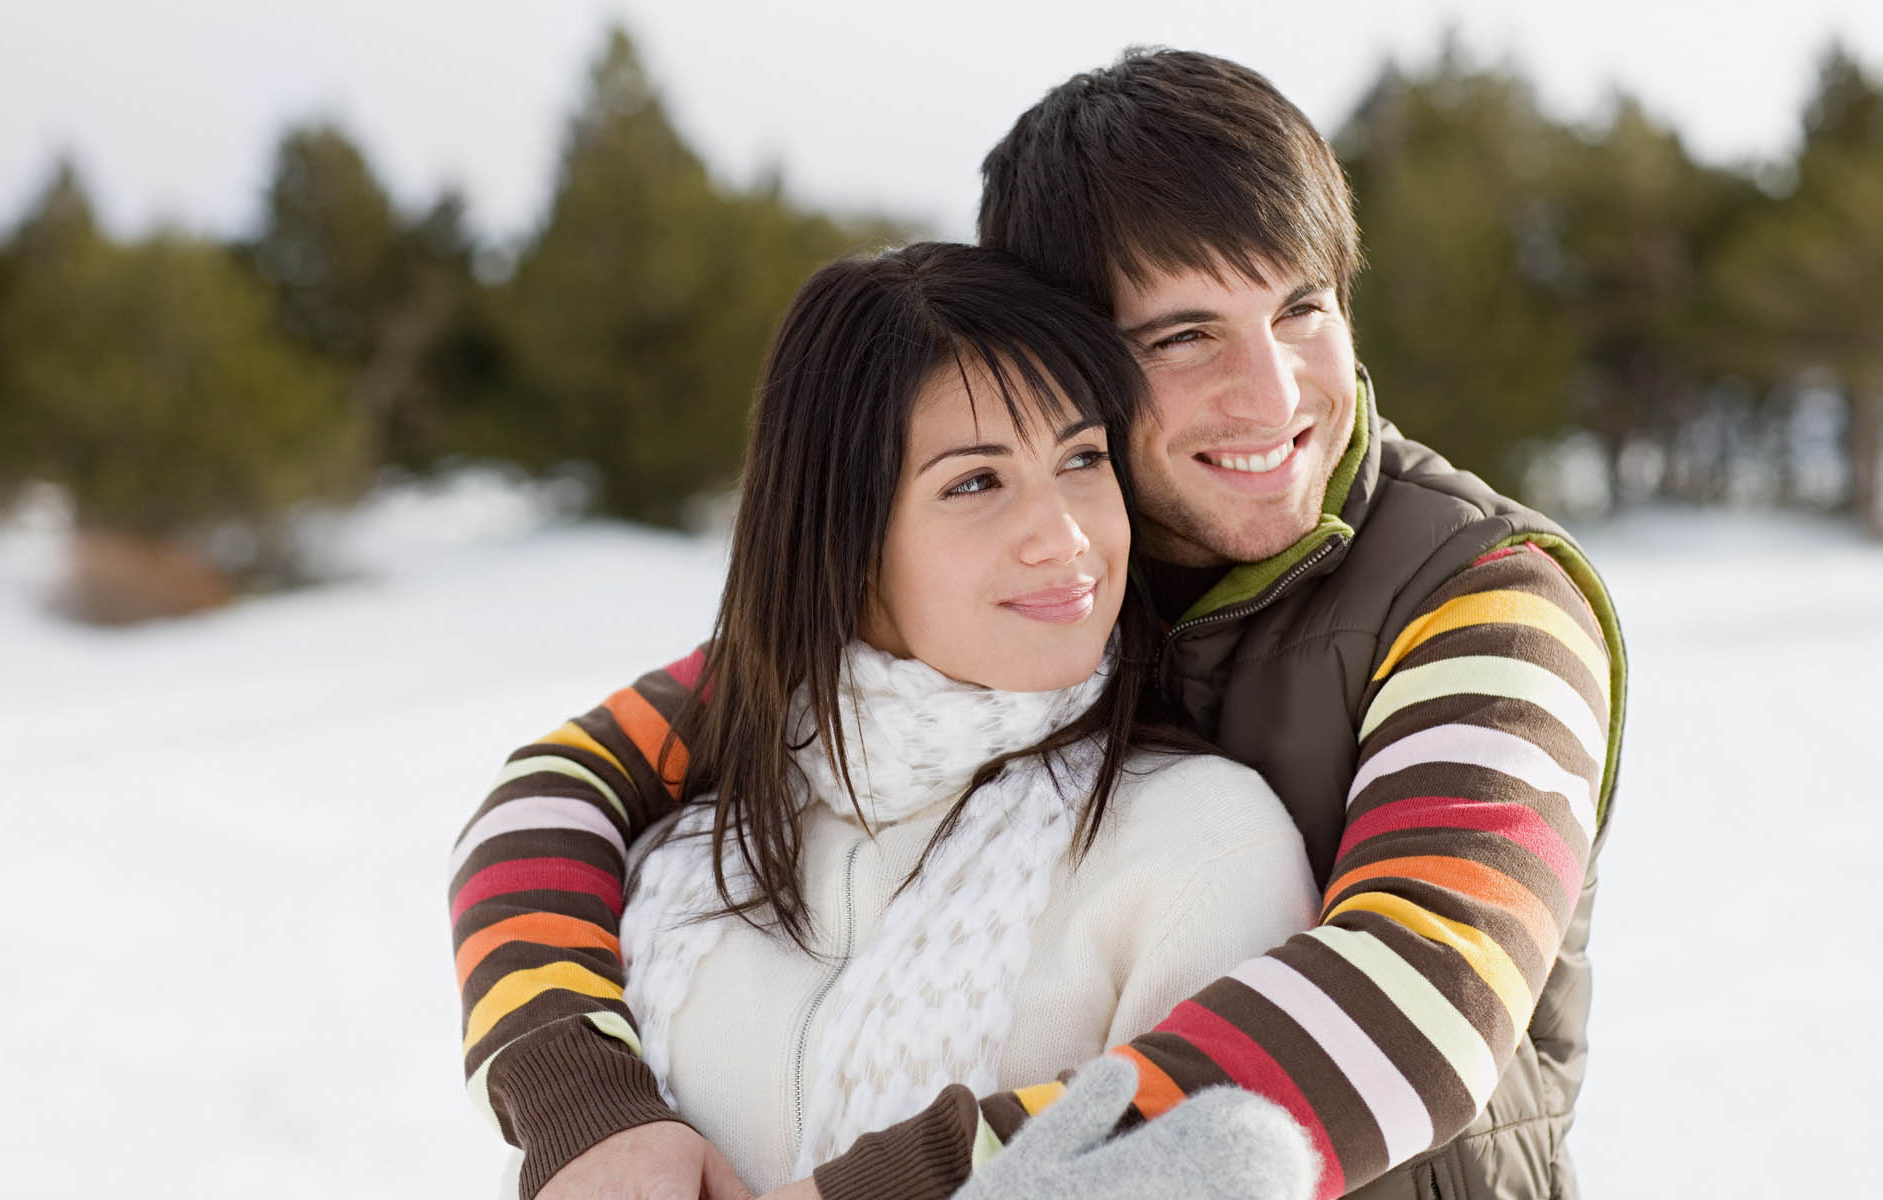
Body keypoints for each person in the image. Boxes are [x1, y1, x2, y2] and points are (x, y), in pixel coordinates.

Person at [449, 49, 1627, 1200]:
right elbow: (564, 785)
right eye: (1183, 335)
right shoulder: (1060, 569)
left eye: (1301, 309)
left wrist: (887, 1186)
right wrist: (583, 1103)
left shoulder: (1488, 596)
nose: (1273, 395)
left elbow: (1421, 1000)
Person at [463, 242, 1322, 1199]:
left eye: (1081, 459)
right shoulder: (683, 839)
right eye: (975, 482)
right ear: (842, 532)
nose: (1065, 535)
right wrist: (586, 1109)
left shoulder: (1200, 845)